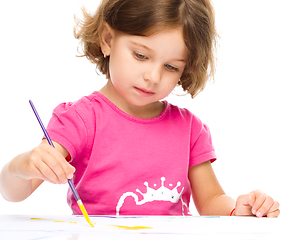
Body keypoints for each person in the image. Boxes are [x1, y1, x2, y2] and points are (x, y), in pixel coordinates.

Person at [0, 0, 280, 217]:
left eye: (171, 66)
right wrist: (22, 167)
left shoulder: (189, 129)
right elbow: (12, 192)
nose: (153, 77)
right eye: (141, 55)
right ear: (107, 40)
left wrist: (237, 211)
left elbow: (210, 201)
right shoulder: (80, 120)